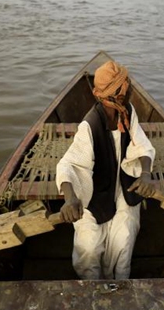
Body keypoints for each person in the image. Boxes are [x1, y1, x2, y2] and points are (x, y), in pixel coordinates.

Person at [56, 60, 156, 280]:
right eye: (125, 87)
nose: (130, 89)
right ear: (115, 96)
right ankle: (91, 285)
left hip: (122, 183)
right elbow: (68, 165)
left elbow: (142, 145)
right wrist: (70, 198)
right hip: (95, 189)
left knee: (124, 236)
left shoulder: (127, 112)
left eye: (127, 85)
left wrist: (146, 174)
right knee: (89, 246)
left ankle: (119, 283)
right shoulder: (89, 125)